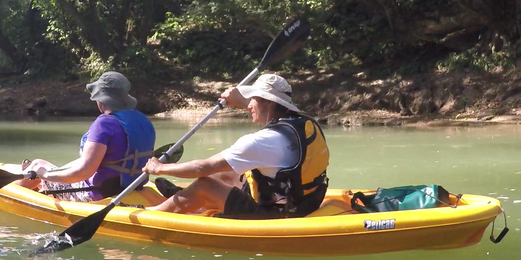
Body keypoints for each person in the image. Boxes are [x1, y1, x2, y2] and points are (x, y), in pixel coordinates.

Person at [143, 74, 329, 217]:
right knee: (228, 172)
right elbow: (264, 109)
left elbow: (202, 167)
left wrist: (160, 168)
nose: (249, 106)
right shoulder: (304, 123)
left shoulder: (260, 142)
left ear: (268, 103)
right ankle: (184, 196)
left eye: (253, 100)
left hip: (276, 212)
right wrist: (238, 100)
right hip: (305, 201)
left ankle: (156, 212)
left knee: (204, 183)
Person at [20, 71, 156, 201]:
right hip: (131, 187)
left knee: (38, 164)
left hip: (96, 193)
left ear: (101, 100)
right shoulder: (143, 120)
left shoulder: (104, 123)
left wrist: (45, 174)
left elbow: (84, 172)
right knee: (48, 170)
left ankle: (13, 193)